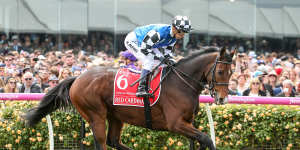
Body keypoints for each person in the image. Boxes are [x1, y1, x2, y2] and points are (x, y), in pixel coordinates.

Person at [124, 15, 192, 97]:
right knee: (148, 61)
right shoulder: (159, 33)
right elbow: (144, 50)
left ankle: (162, 86)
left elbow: (167, 53)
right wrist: (159, 57)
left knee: (166, 63)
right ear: (174, 28)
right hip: (133, 41)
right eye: (182, 32)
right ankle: (141, 89)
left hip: (149, 45)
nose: (183, 35)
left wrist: (170, 60)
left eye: (185, 32)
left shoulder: (174, 38)